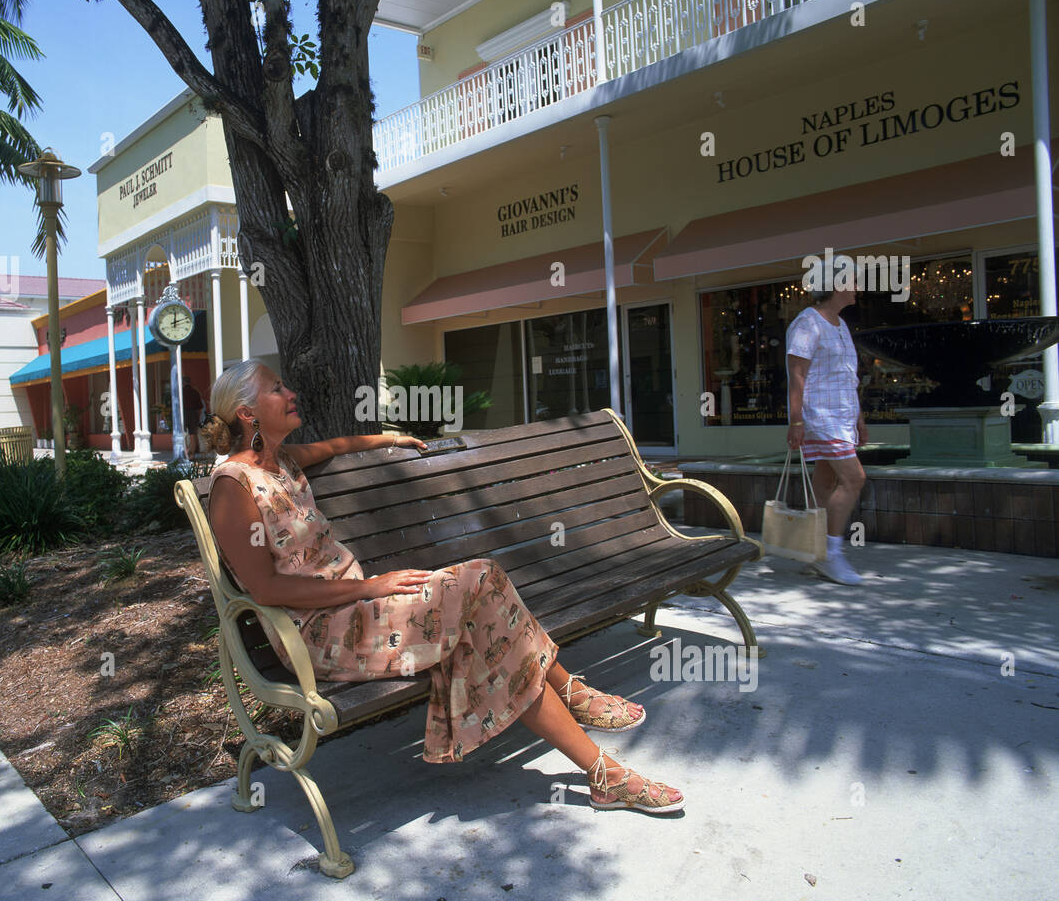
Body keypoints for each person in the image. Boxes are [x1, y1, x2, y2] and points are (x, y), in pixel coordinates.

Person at [199, 360, 684, 813]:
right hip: (318, 634)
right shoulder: (233, 488)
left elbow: (333, 447)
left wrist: (386, 438)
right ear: (247, 413)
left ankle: (599, 760)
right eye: (277, 388)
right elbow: (264, 590)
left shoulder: (281, 461)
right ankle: (590, 737)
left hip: (361, 610)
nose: (291, 393)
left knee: (483, 600)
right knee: (480, 592)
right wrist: (371, 588)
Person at [786, 273, 868, 585]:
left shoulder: (840, 323)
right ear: (836, 285)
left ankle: (813, 553)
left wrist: (859, 418)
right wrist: (796, 420)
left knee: (826, 481)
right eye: (853, 282)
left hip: (843, 415)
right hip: (822, 416)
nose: (858, 288)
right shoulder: (808, 322)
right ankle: (830, 554)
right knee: (855, 478)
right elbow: (797, 375)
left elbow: (848, 376)